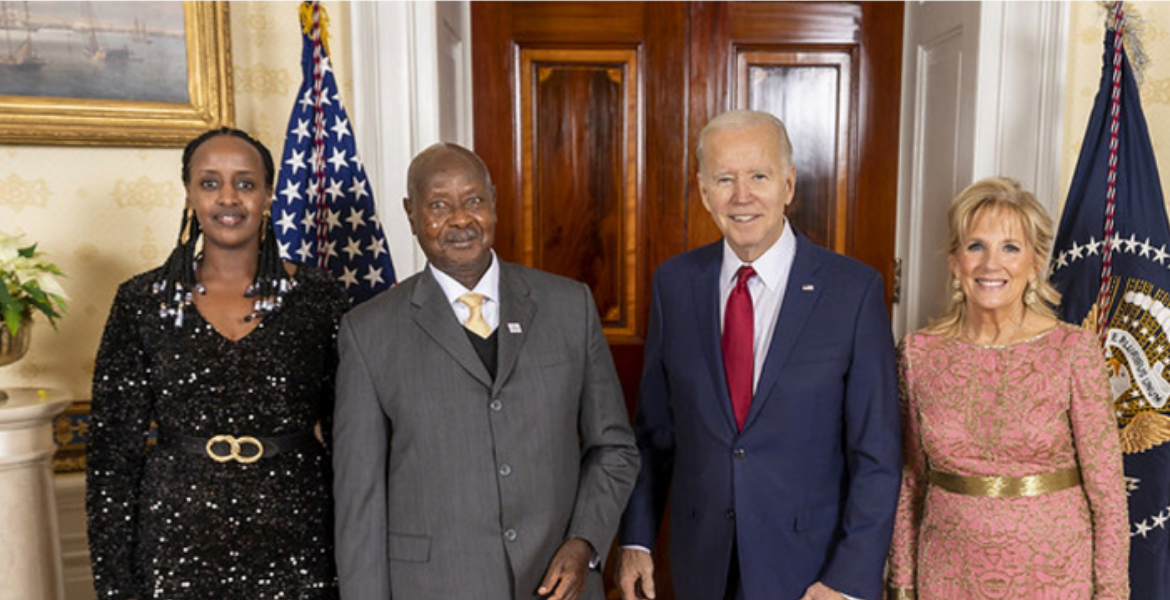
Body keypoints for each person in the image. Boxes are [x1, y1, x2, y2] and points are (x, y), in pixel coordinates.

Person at [332, 142, 640, 600]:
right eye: (439, 205)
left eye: (473, 200)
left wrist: (586, 542)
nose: (460, 219)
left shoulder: (568, 306)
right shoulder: (368, 332)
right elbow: (360, 503)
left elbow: (614, 448)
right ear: (411, 213)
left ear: (494, 202)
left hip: (560, 587)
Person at [617, 110, 902, 600]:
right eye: (724, 179)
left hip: (812, 575)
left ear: (788, 184)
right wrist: (637, 540)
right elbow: (652, 435)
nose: (742, 196)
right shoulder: (674, 284)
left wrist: (849, 579)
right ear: (704, 192)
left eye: (759, 176)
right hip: (700, 565)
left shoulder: (852, 292)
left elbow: (876, 454)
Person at [86, 127, 347, 599]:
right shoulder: (141, 301)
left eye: (245, 183)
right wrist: (115, 585)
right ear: (189, 193)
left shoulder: (319, 299)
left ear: (268, 194)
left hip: (299, 535)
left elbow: (350, 440)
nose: (229, 198)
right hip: (175, 539)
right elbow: (112, 459)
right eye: (210, 183)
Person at [886, 177, 1129, 599]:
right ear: (954, 260)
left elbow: (1107, 493)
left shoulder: (1074, 350)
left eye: (1010, 248)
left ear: (1035, 262)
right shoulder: (916, 355)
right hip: (946, 575)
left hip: (1055, 576)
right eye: (975, 246)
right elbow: (909, 485)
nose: (990, 264)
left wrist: (1111, 592)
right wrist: (902, 587)